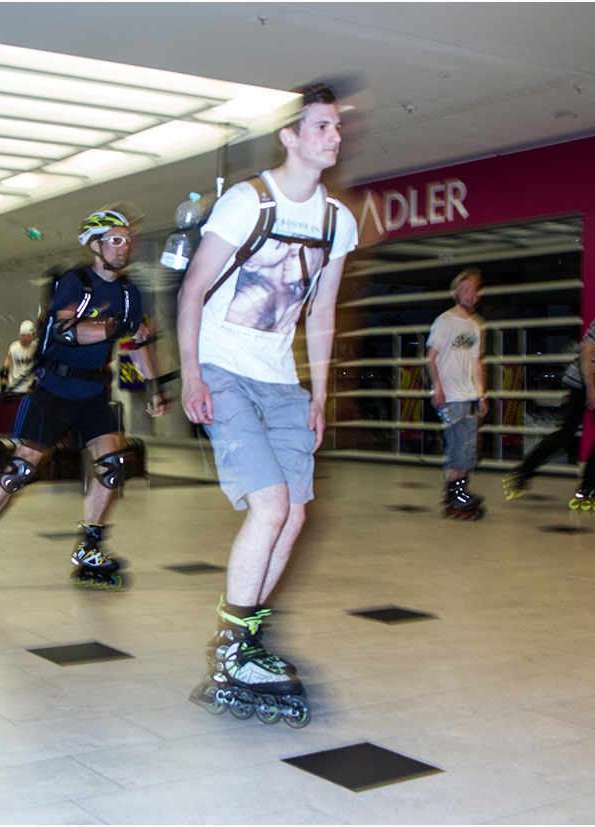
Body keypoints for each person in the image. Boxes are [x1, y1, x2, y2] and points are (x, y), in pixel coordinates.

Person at [177, 81, 358, 726]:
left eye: (338, 127)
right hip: (223, 369)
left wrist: (320, 393)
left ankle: (244, 640)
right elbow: (193, 290)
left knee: (295, 516)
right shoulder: (247, 202)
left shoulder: (338, 222)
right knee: (271, 505)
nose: (334, 136)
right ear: (290, 136)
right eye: (322, 126)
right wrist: (192, 375)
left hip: (282, 381)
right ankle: (232, 647)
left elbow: (322, 312)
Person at [0, 207, 166, 592]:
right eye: (115, 240)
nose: (123, 246)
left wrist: (155, 387)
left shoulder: (130, 292)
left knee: (112, 465)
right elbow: (64, 331)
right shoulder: (75, 282)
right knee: (20, 471)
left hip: (93, 393)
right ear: (95, 245)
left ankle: (89, 549)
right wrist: (113, 326)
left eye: (127, 240)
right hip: (53, 390)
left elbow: (139, 341)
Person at [504, 280, 595, 509]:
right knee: (566, 433)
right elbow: (586, 352)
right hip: (582, 379)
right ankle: (521, 472)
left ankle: (588, 485)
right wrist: (592, 387)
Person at [427, 268, 487, 518]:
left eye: (473, 289)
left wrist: (481, 395)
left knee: (470, 448)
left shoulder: (475, 325)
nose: (470, 293)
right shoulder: (444, 321)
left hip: (469, 395)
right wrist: (437, 388)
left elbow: (476, 363)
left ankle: (461, 491)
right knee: (457, 444)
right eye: (465, 289)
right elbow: (431, 358)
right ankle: (453, 493)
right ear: (455, 293)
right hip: (450, 396)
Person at [0, 319, 38, 393]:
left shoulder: (35, 347)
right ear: (22, 335)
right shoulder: (14, 348)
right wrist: (3, 388)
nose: (31, 337)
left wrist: (34, 385)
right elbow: (4, 369)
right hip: (15, 389)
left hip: (29, 389)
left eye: (32, 334)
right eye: (29, 335)